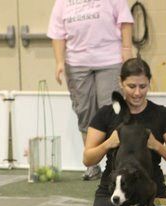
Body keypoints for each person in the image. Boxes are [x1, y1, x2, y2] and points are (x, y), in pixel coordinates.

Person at [84, 57, 166, 206]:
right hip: (113, 191)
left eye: (143, 86)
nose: (137, 92)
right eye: (131, 86)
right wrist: (108, 143)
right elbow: (88, 159)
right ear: (121, 82)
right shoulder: (105, 114)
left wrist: (157, 146)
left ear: (149, 83)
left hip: (150, 192)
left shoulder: (162, 115)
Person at [47, 0, 134, 181]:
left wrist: (126, 49)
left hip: (109, 60)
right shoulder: (62, 3)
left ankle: (116, 162)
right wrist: (59, 62)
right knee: (84, 111)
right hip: (77, 62)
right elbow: (57, 33)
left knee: (111, 110)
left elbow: (125, 21)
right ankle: (92, 165)